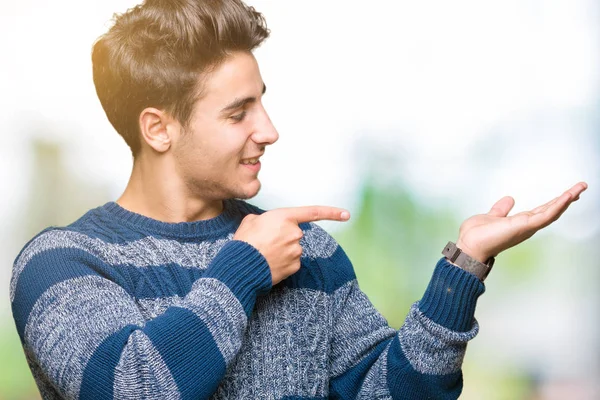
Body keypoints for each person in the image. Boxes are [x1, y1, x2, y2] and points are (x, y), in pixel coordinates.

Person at [10, 0, 588, 399]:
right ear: (158, 129)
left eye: (260, 101)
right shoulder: (61, 264)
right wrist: (244, 270)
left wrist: (462, 267)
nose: (269, 129)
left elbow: (392, 392)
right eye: (238, 113)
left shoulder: (307, 252)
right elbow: (136, 389)